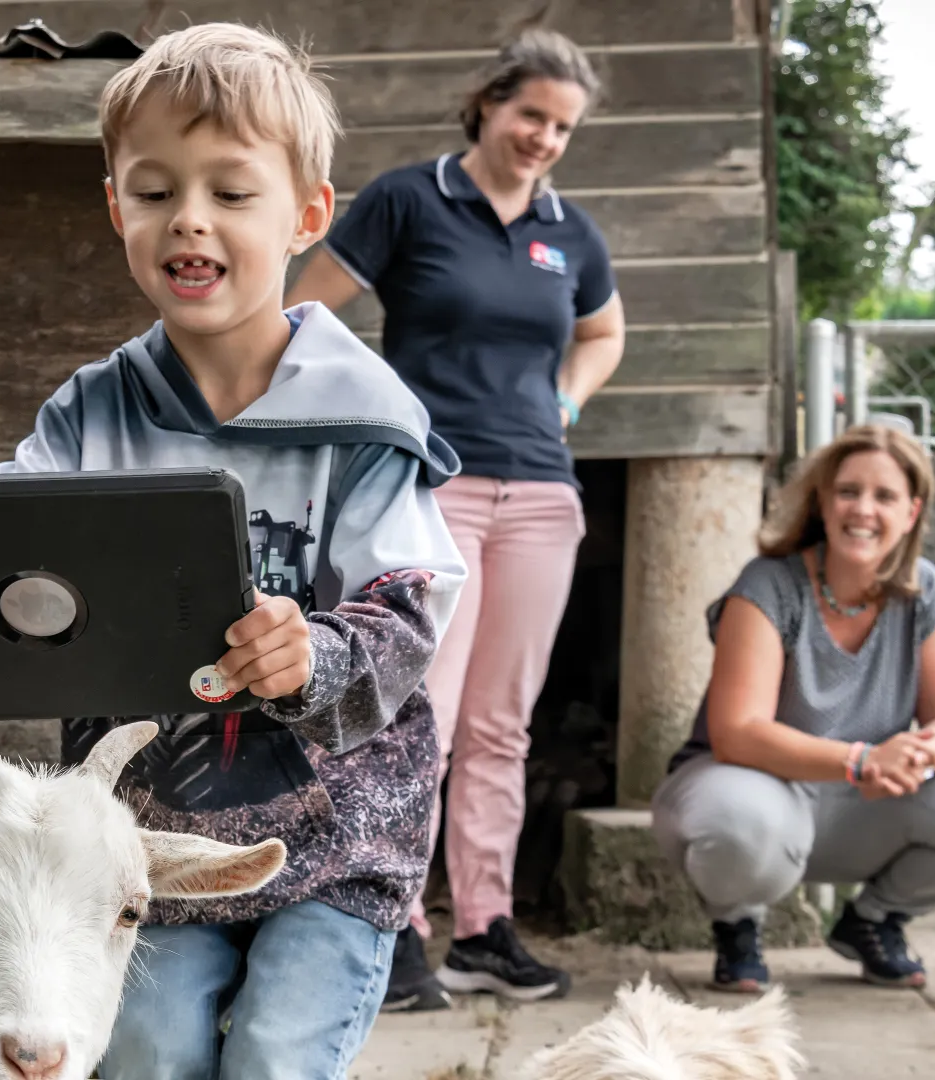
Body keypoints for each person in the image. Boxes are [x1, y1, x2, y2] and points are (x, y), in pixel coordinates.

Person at [0, 23, 469, 1077]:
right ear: (117, 209)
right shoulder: (92, 416)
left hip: (339, 842)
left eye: (231, 192)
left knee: (278, 1054)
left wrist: (316, 653)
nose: (189, 217)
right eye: (155, 191)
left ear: (307, 215)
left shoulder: (366, 420)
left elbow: (408, 607)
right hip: (138, 845)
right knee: (148, 1051)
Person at [280, 28, 621, 1009]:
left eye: (562, 127)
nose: (543, 137)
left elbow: (603, 332)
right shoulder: (409, 199)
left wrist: (568, 399)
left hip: (542, 494)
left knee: (504, 726)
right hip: (436, 490)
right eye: (530, 115)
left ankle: (484, 927)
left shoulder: (570, 231)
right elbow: (307, 310)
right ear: (487, 105)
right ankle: (396, 928)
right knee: (422, 716)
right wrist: (373, 413)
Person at [653, 424, 935, 992]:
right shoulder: (768, 585)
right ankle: (737, 924)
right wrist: (862, 760)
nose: (864, 509)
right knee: (740, 820)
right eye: (848, 491)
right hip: (753, 787)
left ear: (911, 513)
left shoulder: (924, 591)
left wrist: (918, 756)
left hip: (861, 805)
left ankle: (874, 921)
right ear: (821, 501)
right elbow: (737, 733)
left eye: (884, 496)